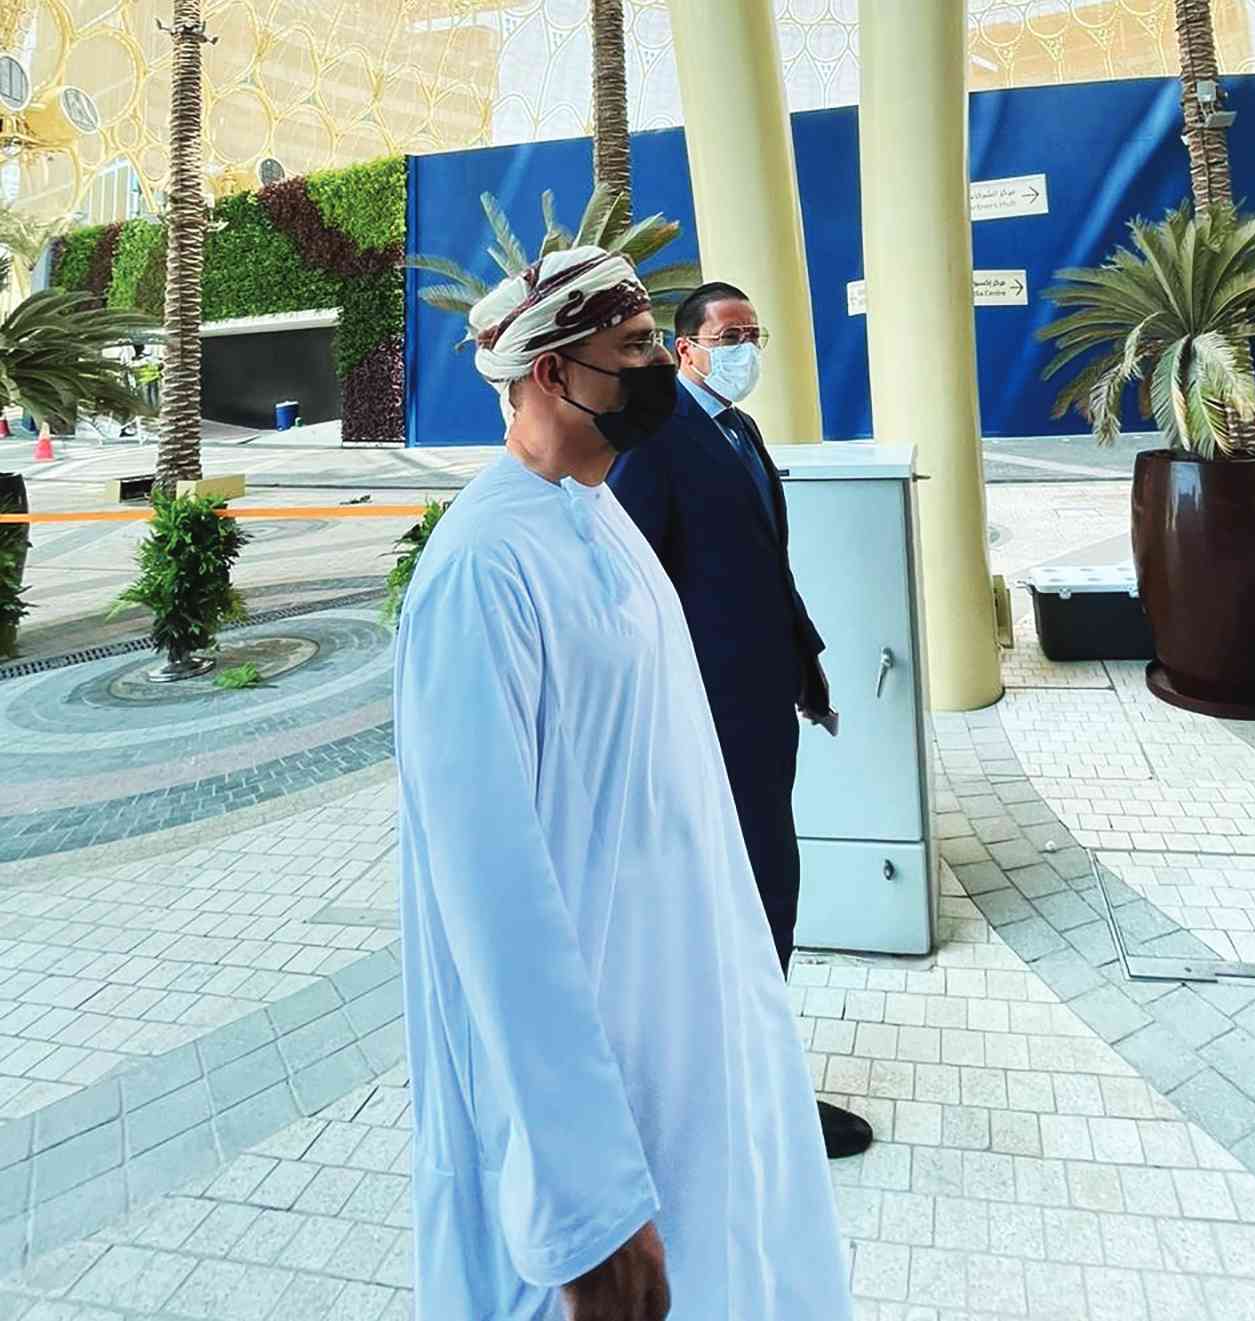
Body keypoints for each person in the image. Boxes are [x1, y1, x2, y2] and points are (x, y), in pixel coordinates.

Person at [393, 247, 853, 1321]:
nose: (659, 370)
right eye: (637, 348)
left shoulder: (597, 515)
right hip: (591, 1066)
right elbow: (493, 897)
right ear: (553, 372)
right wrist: (585, 1193)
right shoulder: (480, 570)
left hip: (686, 1018)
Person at [607, 282, 874, 1160]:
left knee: (768, 890)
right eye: (729, 336)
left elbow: (765, 565)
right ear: (684, 348)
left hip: (762, 707)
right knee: (744, 896)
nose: (746, 348)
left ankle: (752, 1079)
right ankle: (747, 1097)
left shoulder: (741, 430)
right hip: (703, 718)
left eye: (755, 333)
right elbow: (634, 586)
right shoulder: (658, 441)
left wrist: (806, 658)